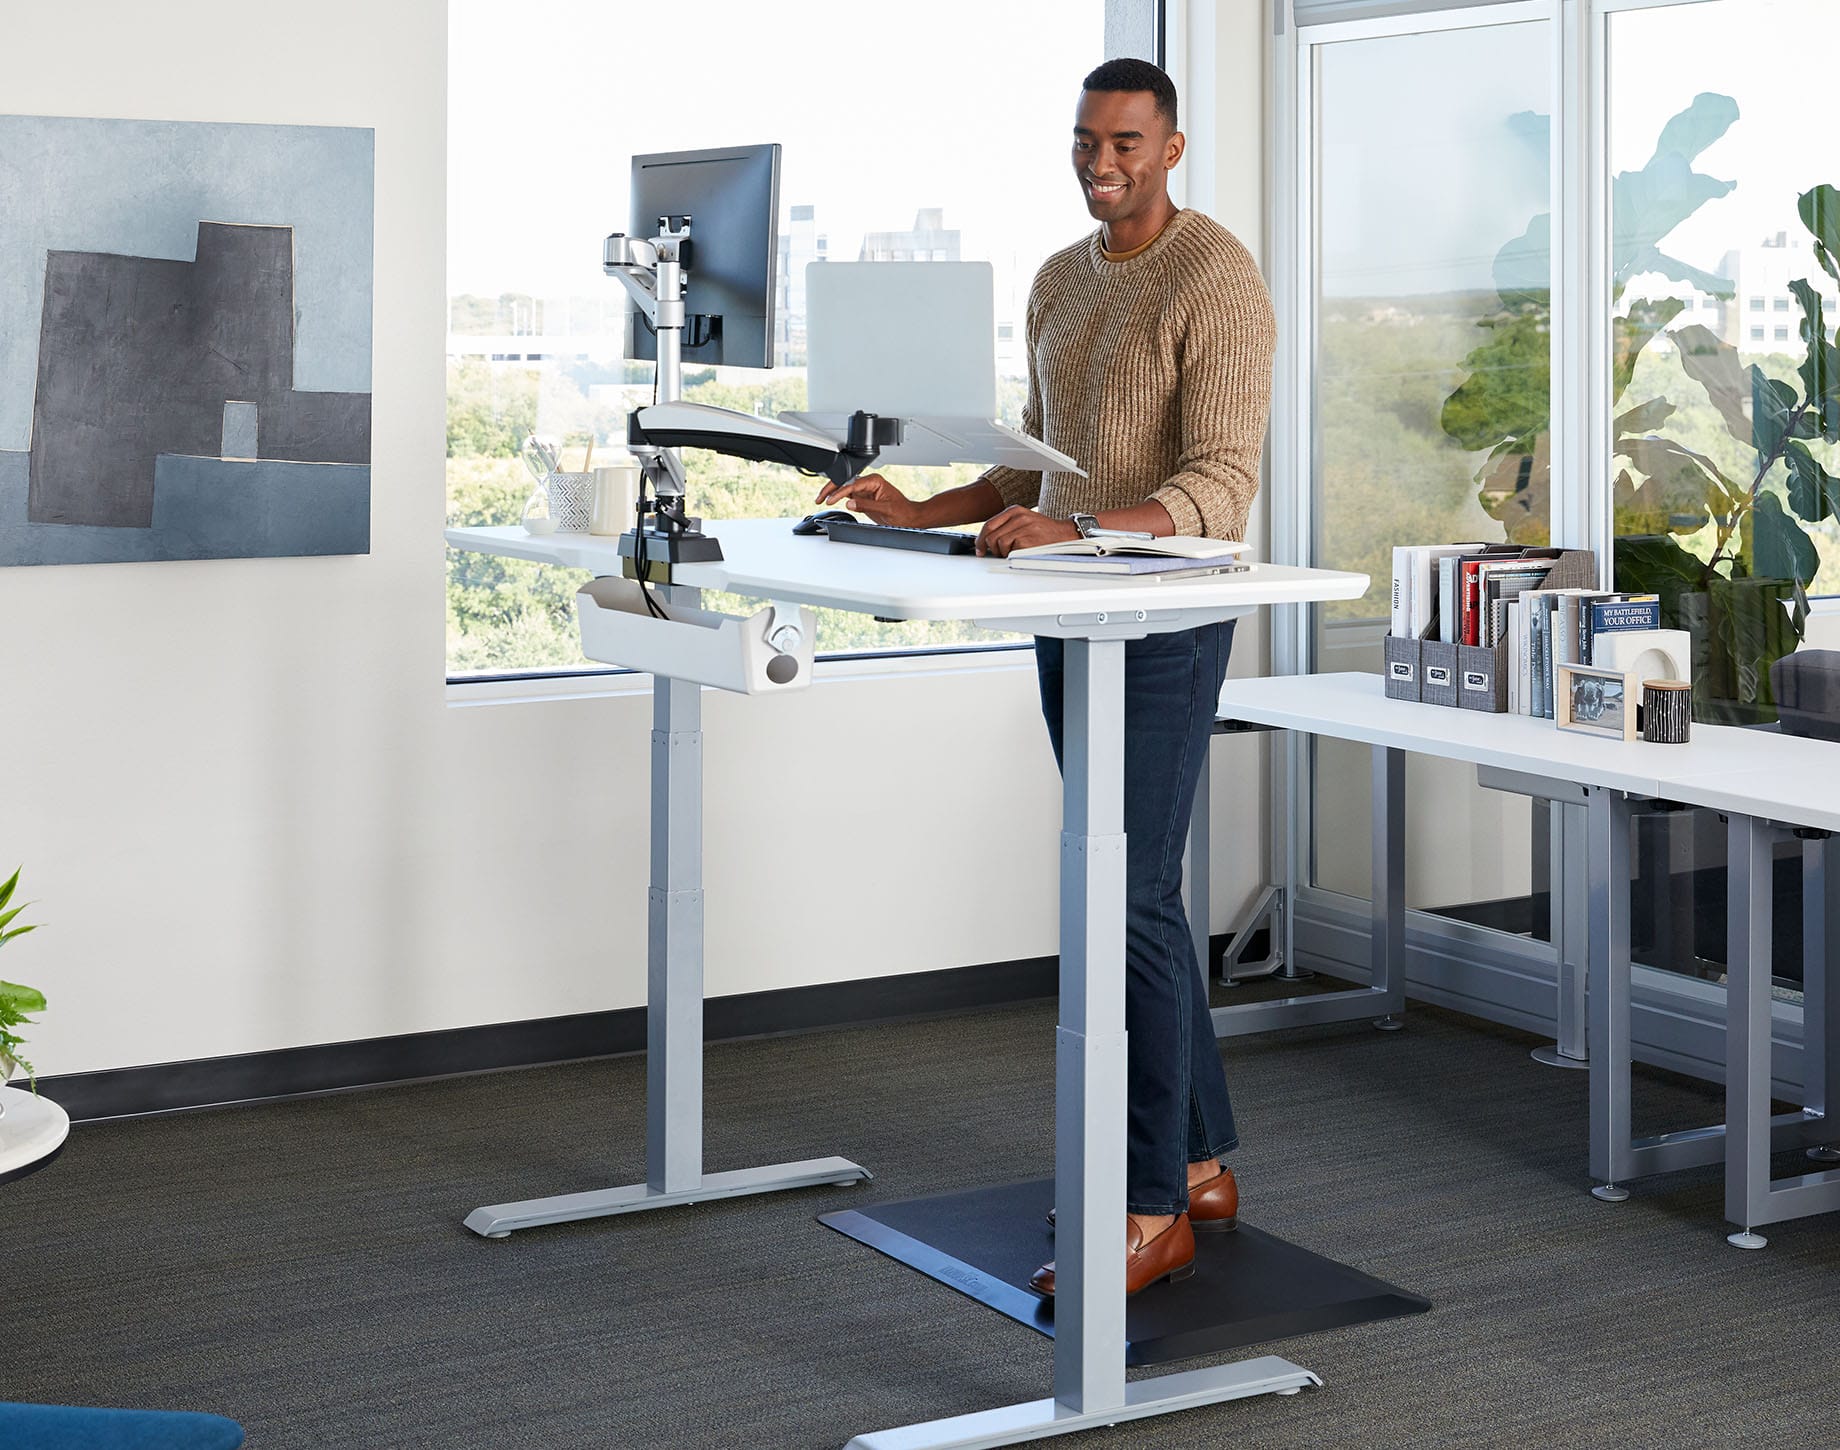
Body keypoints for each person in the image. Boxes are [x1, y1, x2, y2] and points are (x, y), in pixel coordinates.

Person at [815, 57, 1276, 1297]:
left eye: (1125, 142)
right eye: (1084, 141)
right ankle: (1199, 1162)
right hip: (1064, 609)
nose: (1100, 163)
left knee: (1119, 890)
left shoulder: (1215, 275)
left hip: (1168, 620)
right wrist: (916, 510)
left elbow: (1221, 486)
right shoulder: (1057, 280)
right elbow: (1037, 473)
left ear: (1171, 147)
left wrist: (1079, 531)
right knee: (1139, 890)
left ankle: (1143, 1207)